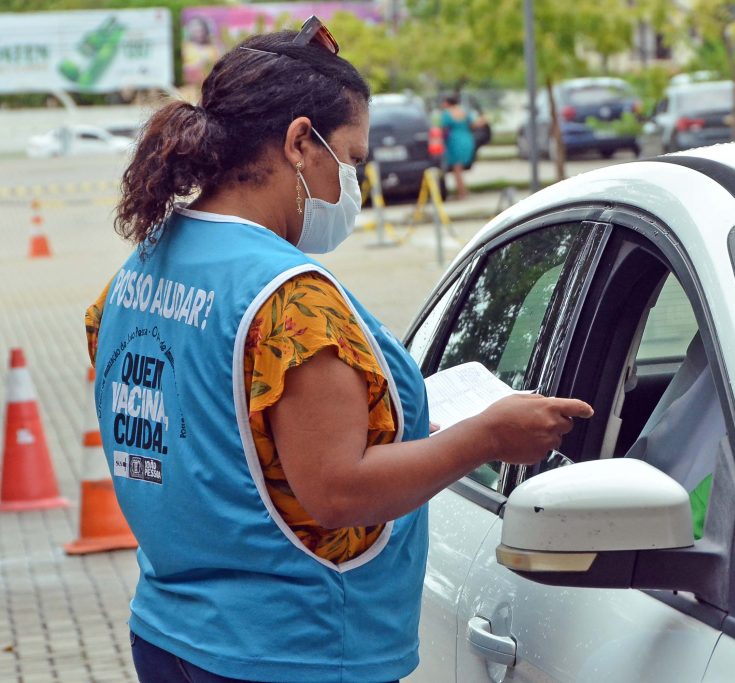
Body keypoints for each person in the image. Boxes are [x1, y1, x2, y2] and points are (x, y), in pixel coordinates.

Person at [84, 19, 592, 683]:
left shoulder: (145, 266)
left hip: (170, 632)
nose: (353, 182)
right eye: (352, 159)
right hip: (290, 648)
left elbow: (209, 425)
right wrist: (485, 438)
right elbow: (337, 492)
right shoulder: (288, 299)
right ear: (300, 142)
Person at [439, 93, 485, 200]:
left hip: (454, 141)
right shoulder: (464, 112)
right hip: (467, 139)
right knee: (459, 169)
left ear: (447, 103)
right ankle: (464, 190)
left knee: (457, 169)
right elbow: (474, 124)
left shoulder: (446, 114)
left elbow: (443, 128)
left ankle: (461, 193)